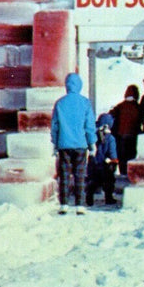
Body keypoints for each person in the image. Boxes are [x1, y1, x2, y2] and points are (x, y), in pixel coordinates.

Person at [50, 72, 97, 214]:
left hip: (64, 144)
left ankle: (64, 204)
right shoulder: (85, 102)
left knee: (64, 175)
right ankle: (80, 205)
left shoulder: (60, 103)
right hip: (81, 145)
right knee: (80, 175)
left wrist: (55, 144)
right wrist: (92, 143)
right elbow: (89, 126)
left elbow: (55, 126)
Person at [86, 113, 119, 206]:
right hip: (106, 164)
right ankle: (108, 198)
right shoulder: (110, 138)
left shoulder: (94, 135)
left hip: (94, 163)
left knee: (93, 182)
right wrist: (114, 160)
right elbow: (112, 152)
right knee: (108, 182)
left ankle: (89, 197)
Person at [111, 84, 143, 177]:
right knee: (131, 156)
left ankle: (122, 173)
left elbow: (111, 115)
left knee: (122, 157)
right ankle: (130, 175)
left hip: (121, 136)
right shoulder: (137, 107)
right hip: (133, 136)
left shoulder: (120, 106)